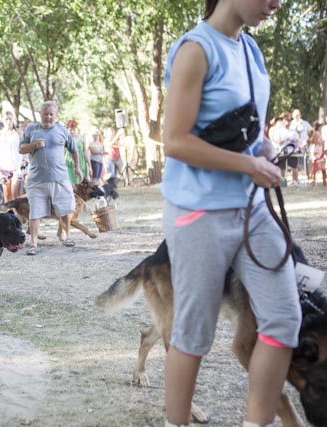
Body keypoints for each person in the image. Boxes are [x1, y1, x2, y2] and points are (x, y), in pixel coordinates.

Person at [161, 1, 300, 427]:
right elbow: (175, 141)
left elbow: (245, 127)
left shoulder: (249, 48)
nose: (277, 3)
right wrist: (249, 165)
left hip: (252, 210)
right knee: (193, 333)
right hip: (198, 213)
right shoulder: (196, 49)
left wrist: (264, 148)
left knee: (284, 320)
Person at [19, 100, 83, 255]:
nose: (48, 117)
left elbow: (74, 150)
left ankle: (66, 236)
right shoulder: (31, 129)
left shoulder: (62, 130)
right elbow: (21, 149)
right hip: (37, 180)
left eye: (51, 114)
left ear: (56, 115)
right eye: (45, 114)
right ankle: (33, 243)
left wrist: (77, 167)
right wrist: (34, 145)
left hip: (59, 178)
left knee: (65, 208)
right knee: (35, 211)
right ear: (40, 114)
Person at [0, 111, 23, 202]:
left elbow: (24, 148)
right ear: (3, 120)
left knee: (15, 192)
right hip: (3, 167)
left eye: (10, 119)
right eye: (6, 119)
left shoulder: (19, 133)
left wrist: (25, 163)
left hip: (17, 167)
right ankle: (8, 211)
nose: (9, 121)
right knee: (7, 193)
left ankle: (16, 211)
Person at [64, 119, 90, 185]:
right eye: (70, 129)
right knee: (70, 184)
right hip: (69, 163)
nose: (72, 131)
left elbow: (86, 152)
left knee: (82, 184)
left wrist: (90, 166)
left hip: (81, 163)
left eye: (74, 129)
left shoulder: (82, 138)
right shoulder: (65, 139)